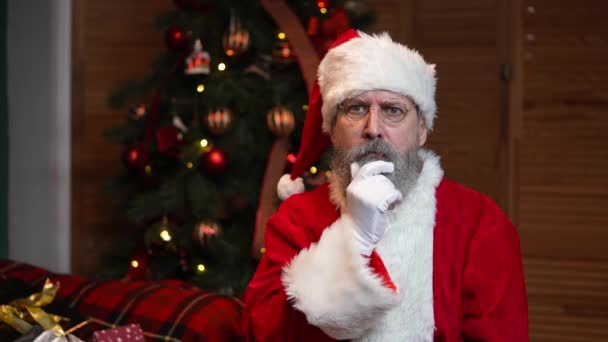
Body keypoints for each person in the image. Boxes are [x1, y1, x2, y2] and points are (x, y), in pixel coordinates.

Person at [242, 30, 529, 341]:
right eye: (356, 108)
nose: (373, 128)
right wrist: (352, 239)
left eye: (393, 110)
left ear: (421, 130)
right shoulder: (296, 219)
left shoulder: (480, 223)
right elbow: (261, 332)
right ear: (332, 130)